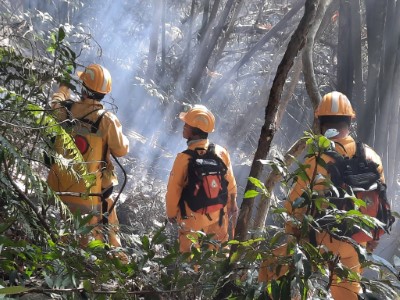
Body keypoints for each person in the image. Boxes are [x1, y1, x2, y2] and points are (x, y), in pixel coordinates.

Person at [259, 91, 386, 299]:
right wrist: (373, 238)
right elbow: (380, 202)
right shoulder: (372, 156)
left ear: (320, 124)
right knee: (348, 293)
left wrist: (292, 233)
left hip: (321, 239)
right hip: (357, 243)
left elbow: (295, 204)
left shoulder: (318, 158)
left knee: (272, 267)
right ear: (350, 121)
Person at [47, 64, 129, 261]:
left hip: (58, 190)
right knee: (101, 229)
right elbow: (121, 149)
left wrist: (64, 88)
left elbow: (55, 103)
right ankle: (115, 264)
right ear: (104, 93)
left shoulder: (65, 111)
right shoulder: (106, 120)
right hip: (89, 195)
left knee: (66, 231)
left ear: (82, 86)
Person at [166, 105, 238, 253]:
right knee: (219, 252)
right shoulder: (221, 152)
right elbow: (230, 183)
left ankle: (191, 276)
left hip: (192, 215)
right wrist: (232, 204)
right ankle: (219, 276)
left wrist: (171, 213)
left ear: (194, 132)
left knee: (190, 256)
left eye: (186, 125)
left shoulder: (184, 158)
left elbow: (174, 189)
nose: (184, 127)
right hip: (218, 213)